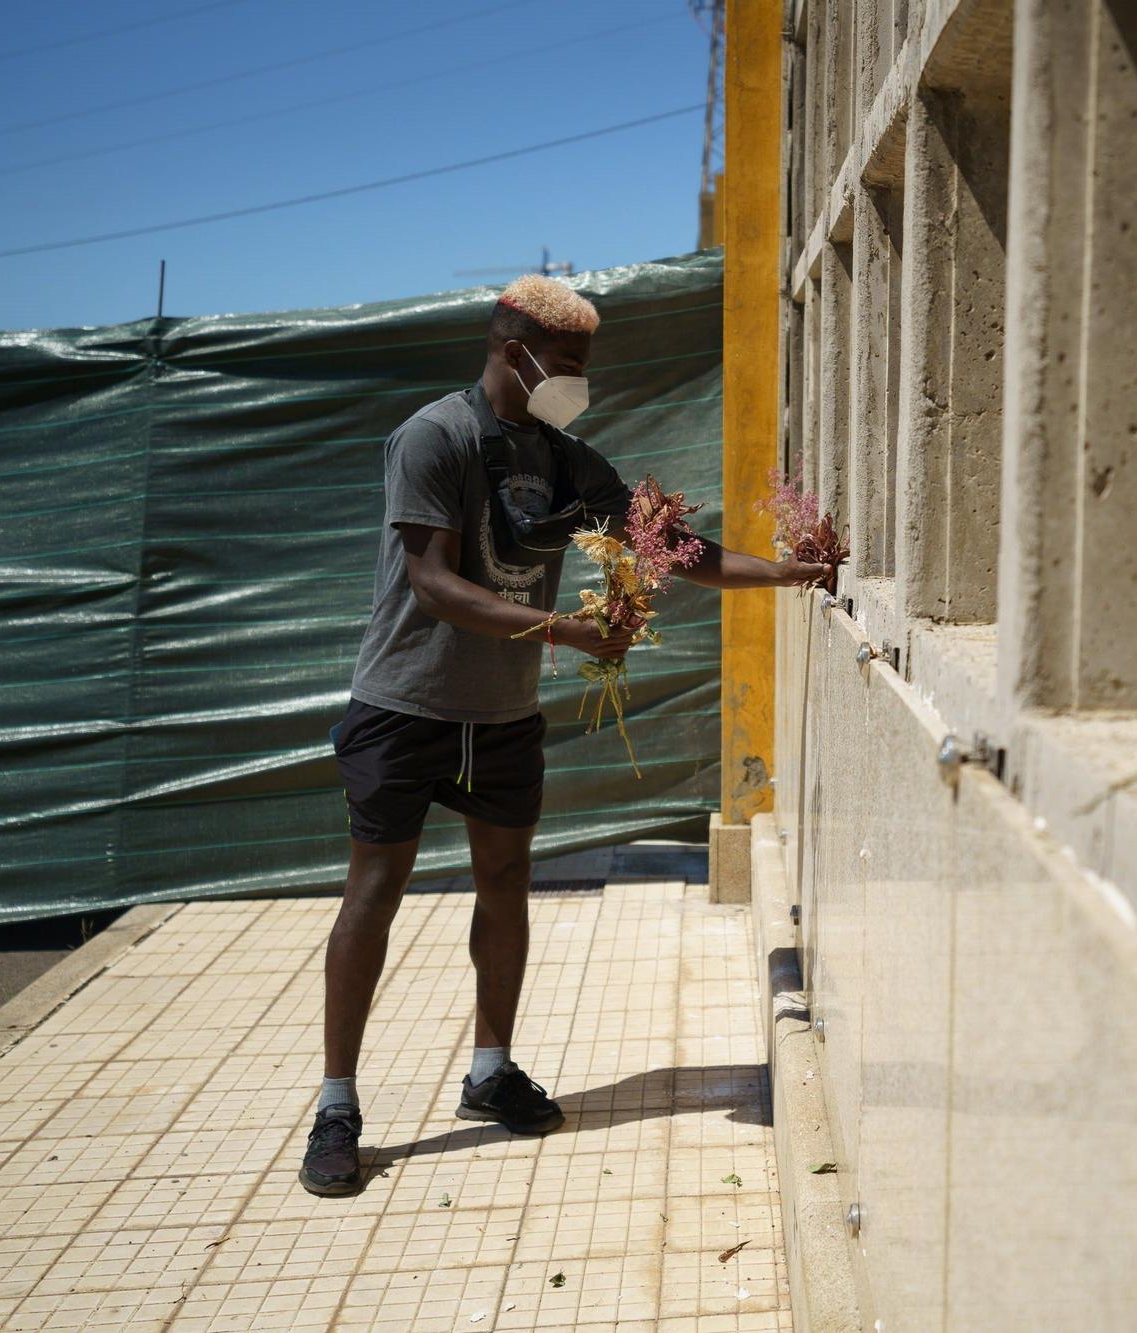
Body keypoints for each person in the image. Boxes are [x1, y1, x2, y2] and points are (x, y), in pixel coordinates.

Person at [298, 274, 827, 1197]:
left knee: (505, 884)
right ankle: (337, 1105)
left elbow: (674, 550)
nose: (578, 381)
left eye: (584, 366)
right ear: (515, 352)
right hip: (404, 708)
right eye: (568, 365)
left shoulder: (565, 458)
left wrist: (788, 571)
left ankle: (489, 1070)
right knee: (373, 895)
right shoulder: (435, 438)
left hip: (501, 717)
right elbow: (434, 582)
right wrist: (565, 632)